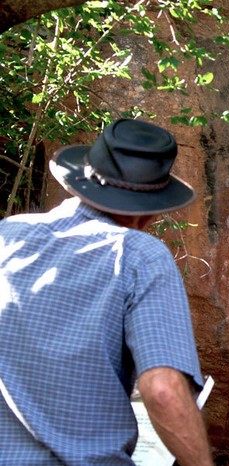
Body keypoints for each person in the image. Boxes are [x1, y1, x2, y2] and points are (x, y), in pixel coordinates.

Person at [0, 119, 213, 465]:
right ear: (149, 213)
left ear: (79, 182)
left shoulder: (8, 235)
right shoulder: (140, 256)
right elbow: (162, 389)